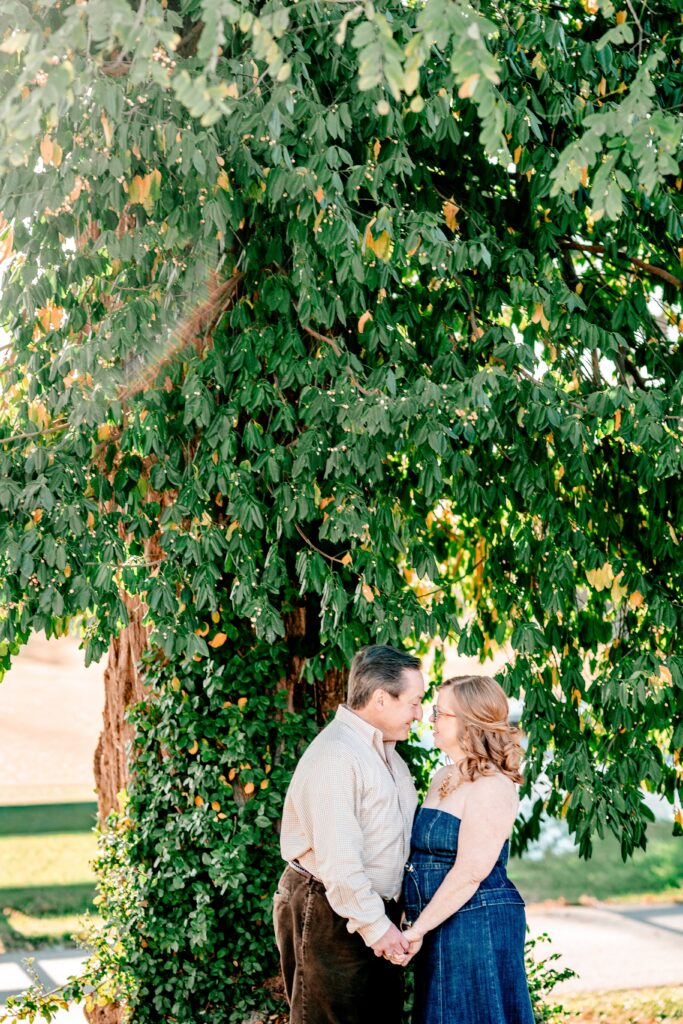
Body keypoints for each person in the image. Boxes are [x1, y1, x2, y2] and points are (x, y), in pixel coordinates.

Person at [273, 644, 426, 1024]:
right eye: (414, 702)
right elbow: (340, 863)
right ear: (379, 699)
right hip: (328, 910)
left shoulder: (387, 755)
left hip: (368, 910)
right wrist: (378, 928)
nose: (419, 713)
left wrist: (394, 914)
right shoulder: (337, 756)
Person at [400, 674, 535, 1024]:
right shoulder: (441, 777)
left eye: (439, 713)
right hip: (440, 921)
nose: (429, 719)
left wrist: (416, 930)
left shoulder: (493, 785)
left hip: (478, 922)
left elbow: (471, 871)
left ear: (471, 722)